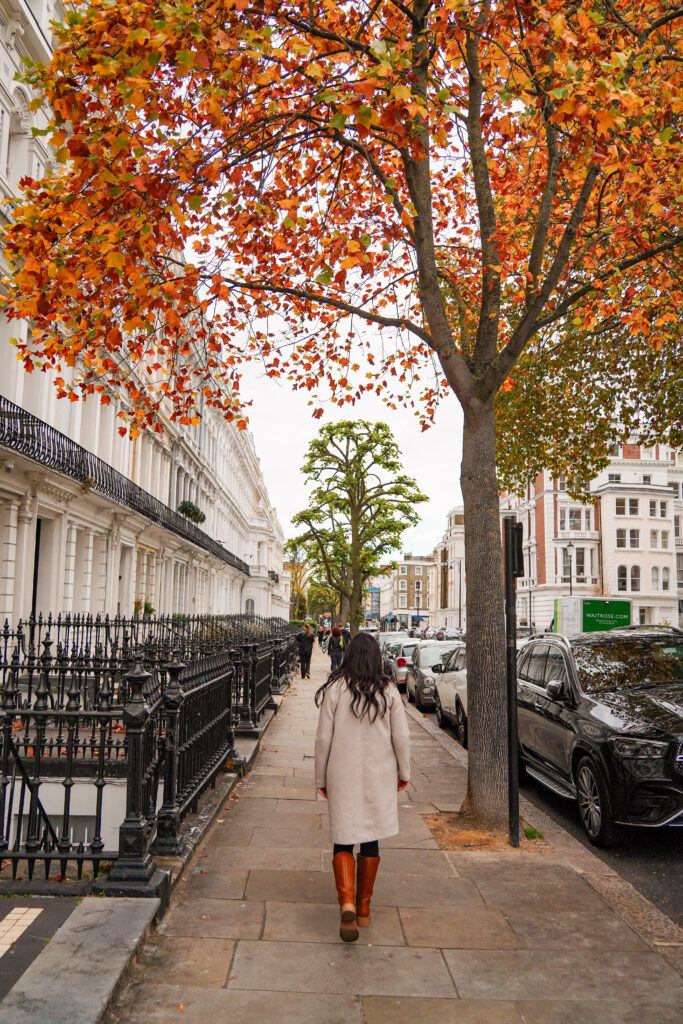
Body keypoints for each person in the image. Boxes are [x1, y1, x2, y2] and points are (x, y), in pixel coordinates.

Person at [314, 632, 410, 942]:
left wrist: (321, 778)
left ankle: (348, 902)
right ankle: (364, 910)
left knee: (343, 838)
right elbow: (401, 738)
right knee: (370, 836)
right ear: (376, 658)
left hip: (342, 774)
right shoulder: (389, 692)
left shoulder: (335, 690)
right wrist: (404, 772)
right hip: (378, 775)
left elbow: (322, 739)